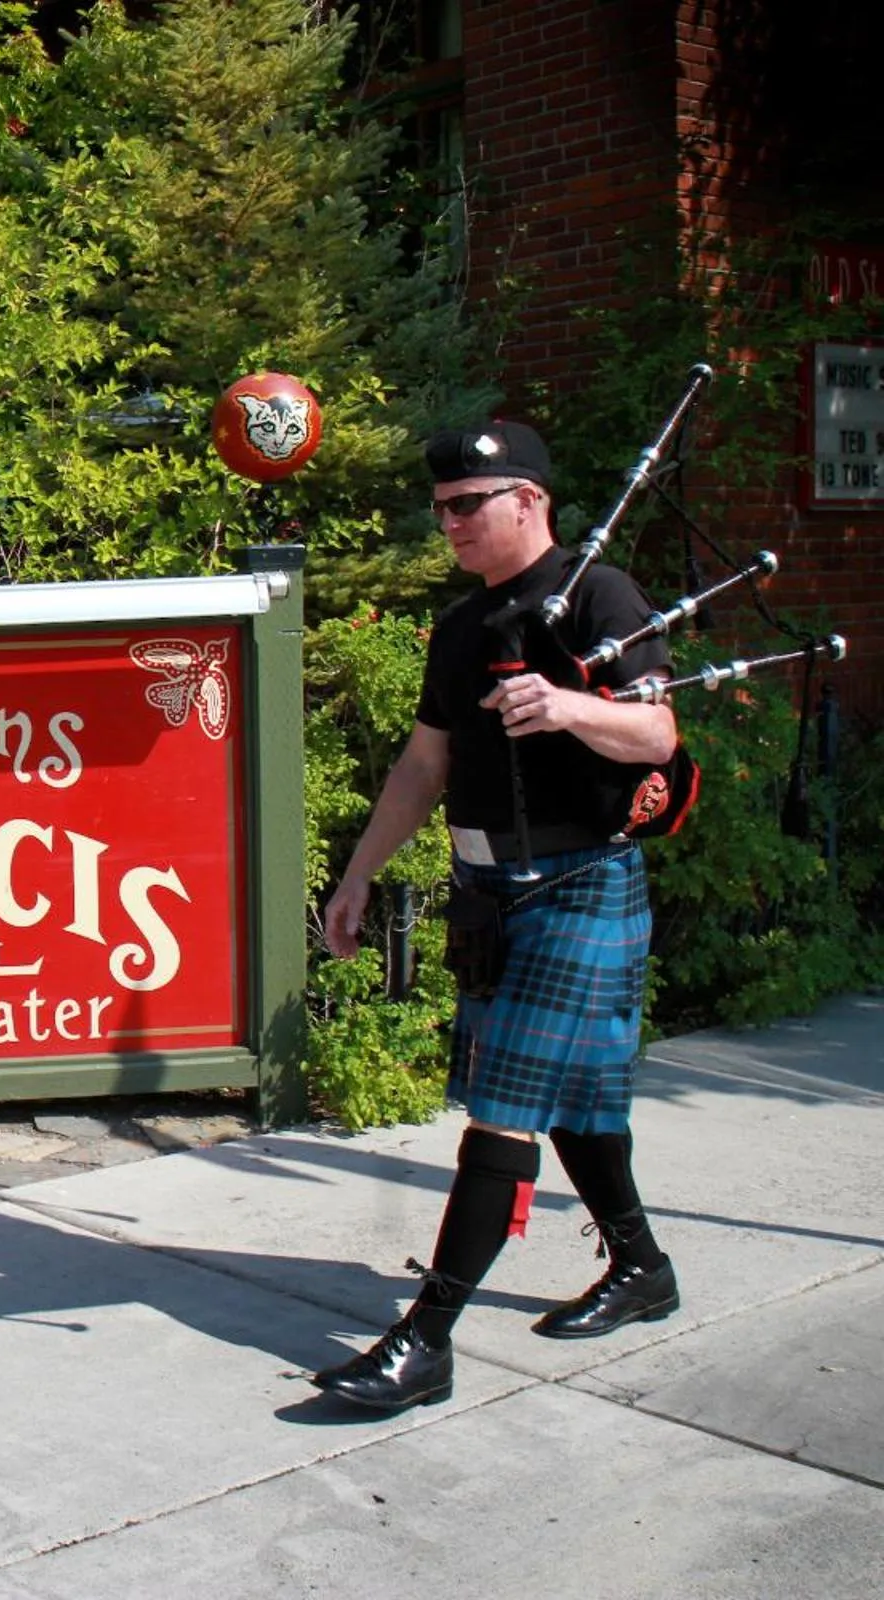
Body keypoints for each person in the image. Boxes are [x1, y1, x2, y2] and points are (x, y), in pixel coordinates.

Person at [314, 421, 683, 1411]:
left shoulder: (601, 597)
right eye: (441, 509)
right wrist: (358, 874)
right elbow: (424, 765)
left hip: (581, 883)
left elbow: (656, 728)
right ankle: (643, 1269)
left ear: (530, 499)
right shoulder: (462, 627)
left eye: (468, 504)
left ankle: (424, 1340)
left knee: (507, 1109)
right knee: (576, 1100)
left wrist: (571, 708)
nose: (450, 523)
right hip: (489, 893)